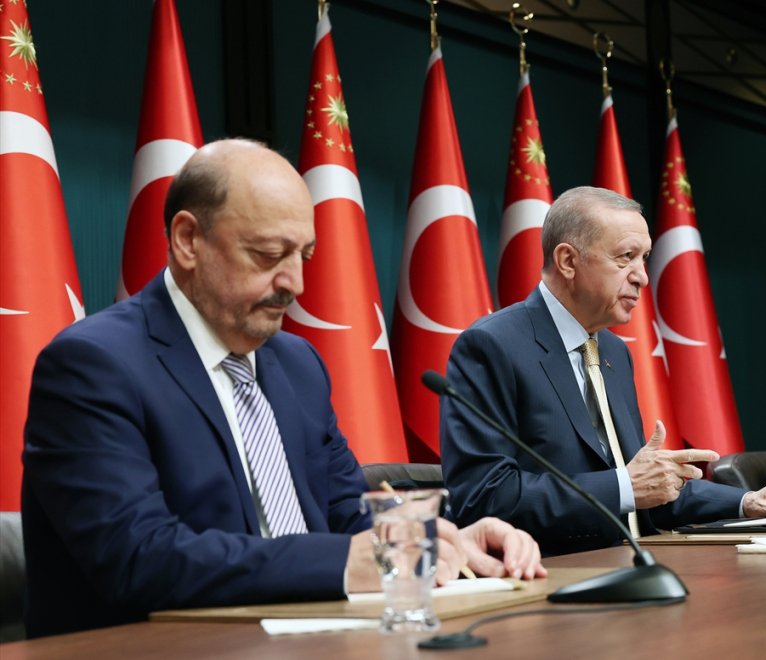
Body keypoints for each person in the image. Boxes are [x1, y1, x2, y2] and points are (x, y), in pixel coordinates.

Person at [21, 139, 545, 639]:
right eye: (269, 254)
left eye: (304, 256)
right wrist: (343, 564)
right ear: (187, 240)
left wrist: (434, 541)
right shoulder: (94, 365)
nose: (295, 283)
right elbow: (139, 557)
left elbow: (345, 511)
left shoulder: (297, 364)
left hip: (316, 638)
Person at [440, 186, 766, 557]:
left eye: (645, 258)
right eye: (626, 257)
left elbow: (643, 489)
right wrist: (625, 487)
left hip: (631, 563)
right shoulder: (492, 346)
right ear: (568, 261)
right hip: (546, 571)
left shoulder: (613, 352)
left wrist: (745, 502)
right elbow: (484, 497)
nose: (642, 277)